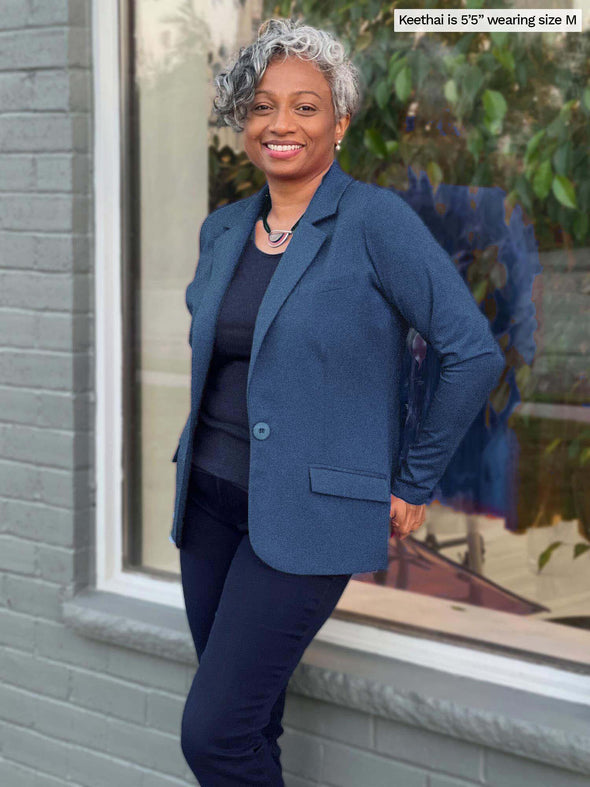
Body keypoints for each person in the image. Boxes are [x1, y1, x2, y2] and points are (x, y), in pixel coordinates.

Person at [170, 17, 505, 786]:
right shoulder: (224, 230)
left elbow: (471, 352)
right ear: (245, 124)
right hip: (209, 508)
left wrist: (412, 477)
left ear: (340, 121)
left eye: (305, 106)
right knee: (252, 725)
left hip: (306, 516)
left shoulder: (373, 221)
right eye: (261, 106)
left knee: (213, 736)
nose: (279, 123)